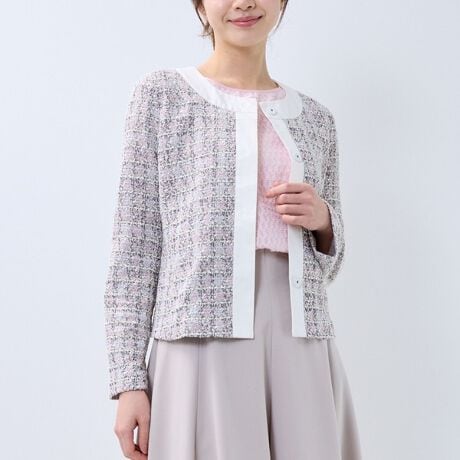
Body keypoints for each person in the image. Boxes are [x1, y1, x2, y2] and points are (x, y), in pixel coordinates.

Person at [104, 1, 363, 459]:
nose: (244, 2)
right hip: (199, 339)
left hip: (300, 338)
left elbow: (331, 265)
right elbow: (135, 250)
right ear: (201, 5)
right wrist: (128, 381)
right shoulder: (163, 96)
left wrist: (323, 220)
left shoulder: (316, 119)